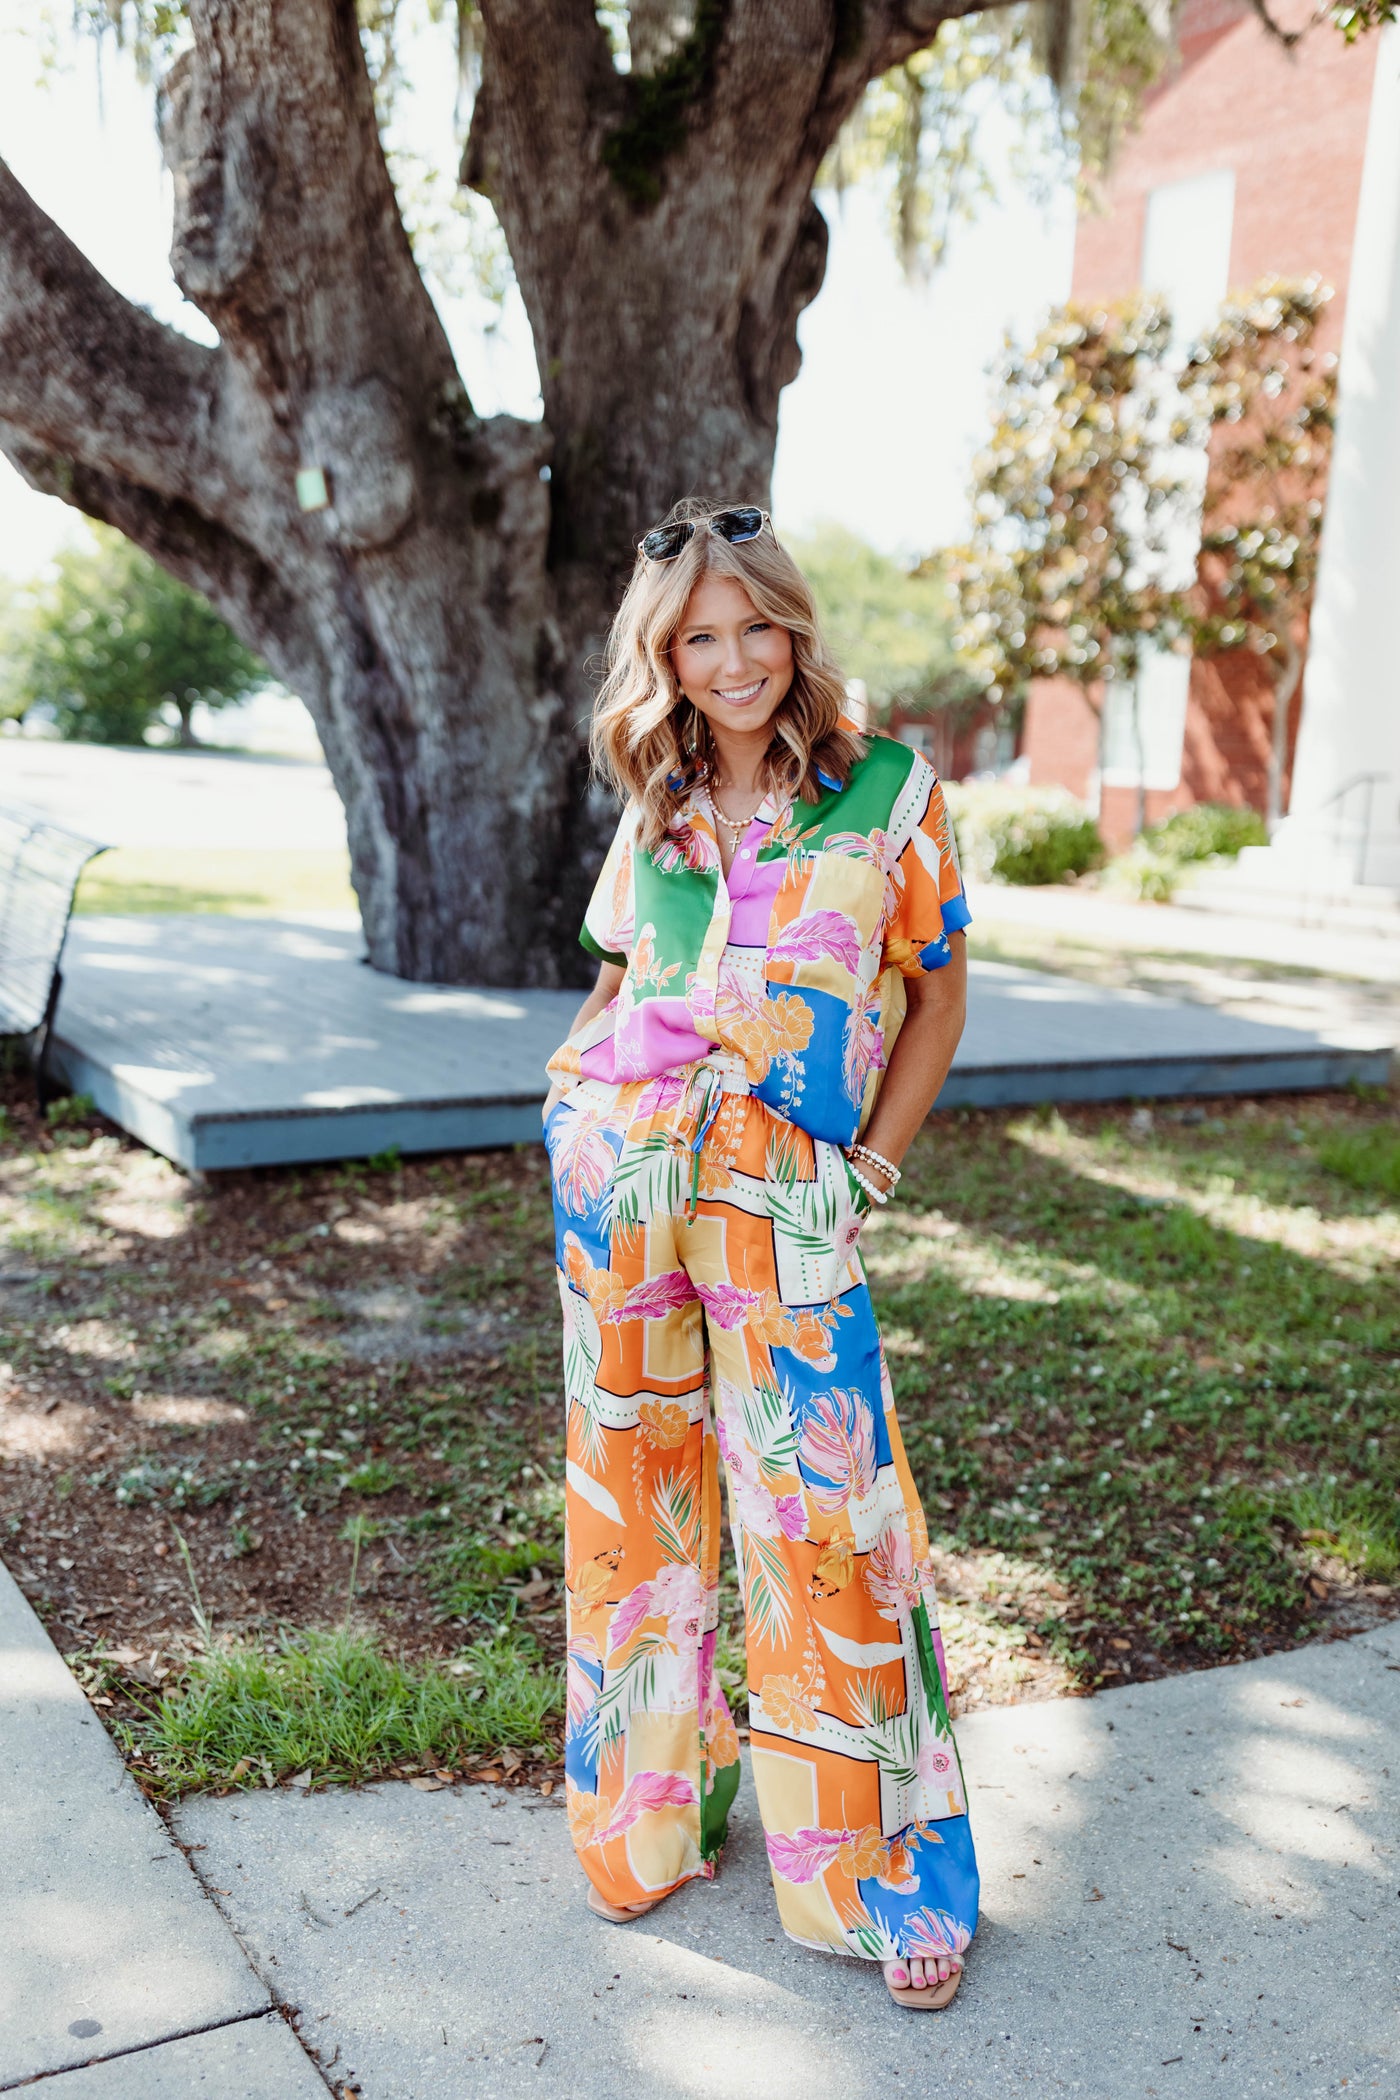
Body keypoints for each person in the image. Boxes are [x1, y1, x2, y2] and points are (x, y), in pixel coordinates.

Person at [540, 499, 978, 2011]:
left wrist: (869, 1164)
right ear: (662, 658)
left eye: (752, 627)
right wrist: (569, 1104)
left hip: (787, 1206)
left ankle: (876, 1873)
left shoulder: (891, 798)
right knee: (635, 1527)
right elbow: (612, 984)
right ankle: (648, 1821)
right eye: (694, 639)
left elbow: (936, 1001)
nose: (729, 661)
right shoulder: (651, 800)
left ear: (795, 626)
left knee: (829, 1527)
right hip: (627, 1196)